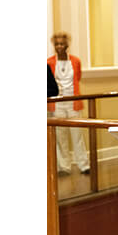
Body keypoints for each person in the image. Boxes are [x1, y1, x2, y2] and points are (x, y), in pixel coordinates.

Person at [48, 32, 90, 175]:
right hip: (57, 103)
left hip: (73, 102)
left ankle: (83, 164)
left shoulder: (76, 61)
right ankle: (64, 166)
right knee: (61, 136)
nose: (59, 46)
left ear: (67, 45)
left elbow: (78, 77)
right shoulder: (49, 62)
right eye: (57, 44)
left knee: (77, 134)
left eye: (62, 44)